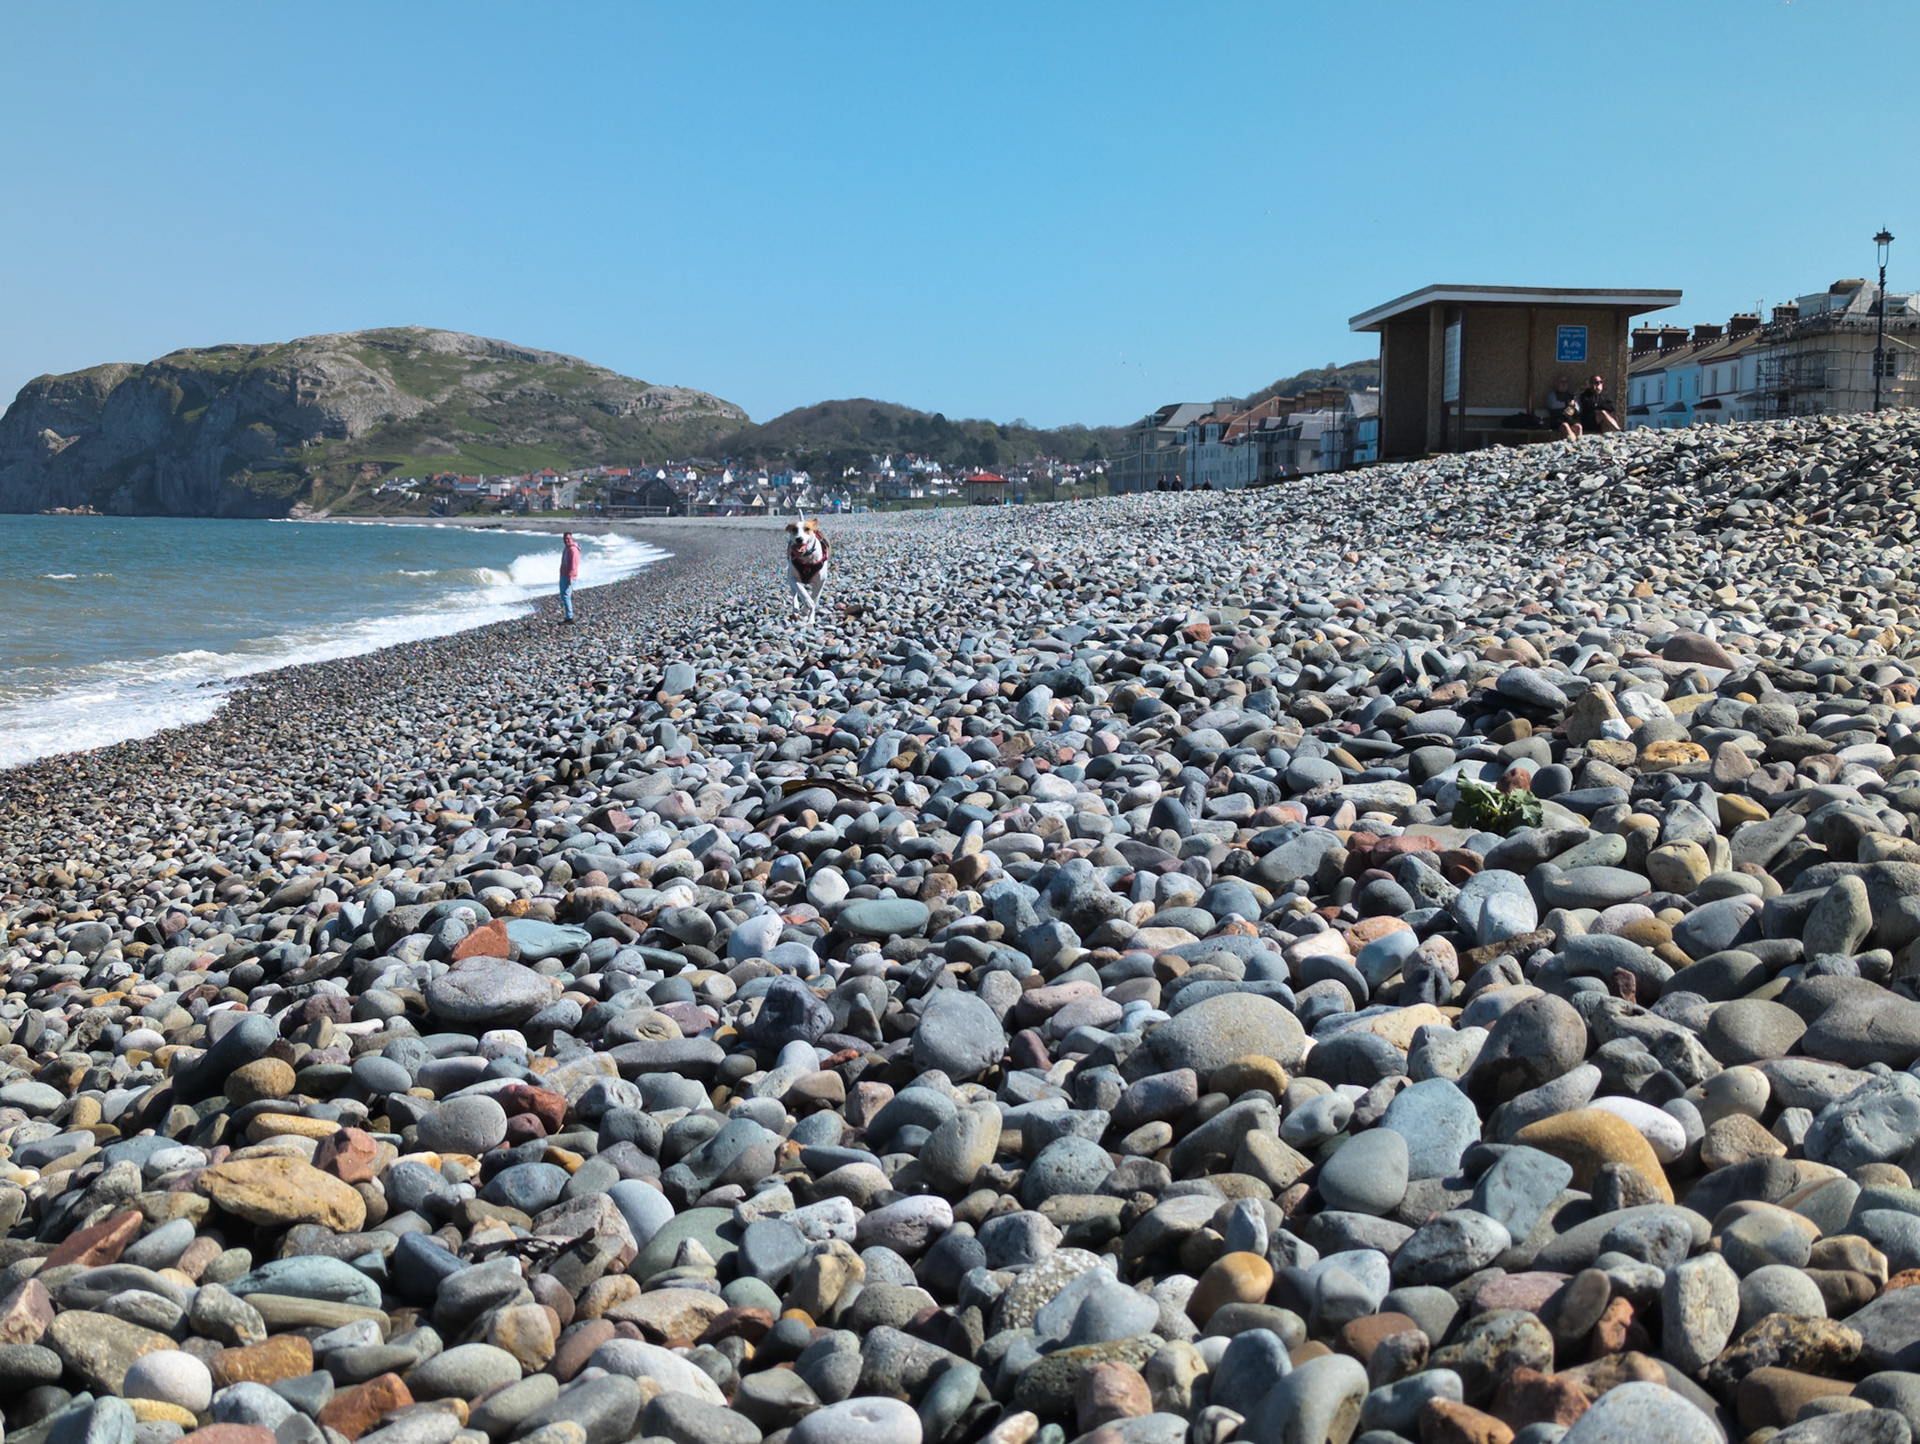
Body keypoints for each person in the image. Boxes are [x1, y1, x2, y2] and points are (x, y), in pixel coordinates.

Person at [558, 531, 581, 624]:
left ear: (571, 539)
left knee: (566, 595)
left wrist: (570, 577)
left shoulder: (573, 550)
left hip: (569, 576)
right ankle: (568, 616)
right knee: (563, 595)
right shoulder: (566, 548)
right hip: (564, 575)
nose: (566, 541)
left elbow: (574, 565)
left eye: (568, 539)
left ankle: (570, 617)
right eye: (565, 539)